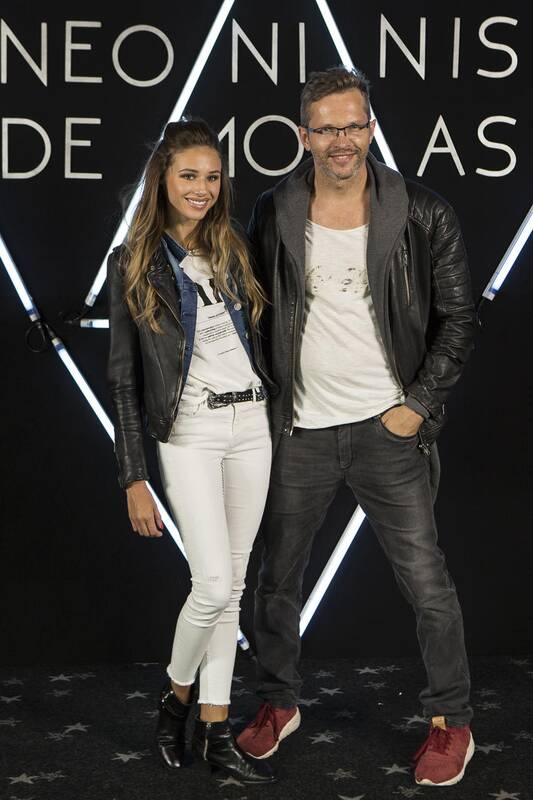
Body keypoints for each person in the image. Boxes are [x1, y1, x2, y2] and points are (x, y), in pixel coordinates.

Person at [236, 67, 477, 788]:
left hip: (388, 431)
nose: (341, 140)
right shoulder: (274, 209)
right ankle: (278, 702)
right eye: (326, 128)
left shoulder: (423, 212)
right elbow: (253, 308)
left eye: (352, 125)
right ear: (304, 136)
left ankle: (453, 721)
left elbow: (459, 320)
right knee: (275, 581)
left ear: (370, 128)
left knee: (427, 583)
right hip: (300, 431)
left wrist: (417, 405)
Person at [107, 118, 275, 785]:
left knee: (231, 586)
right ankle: (176, 697)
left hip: (253, 425)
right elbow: (123, 381)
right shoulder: (134, 262)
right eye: (188, 175)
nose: (202, 188)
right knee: (210, 584)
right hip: (190, 433)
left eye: (212, 177)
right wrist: (133, 477)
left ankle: (215, 727)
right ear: (163, 179)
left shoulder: (235, 247)